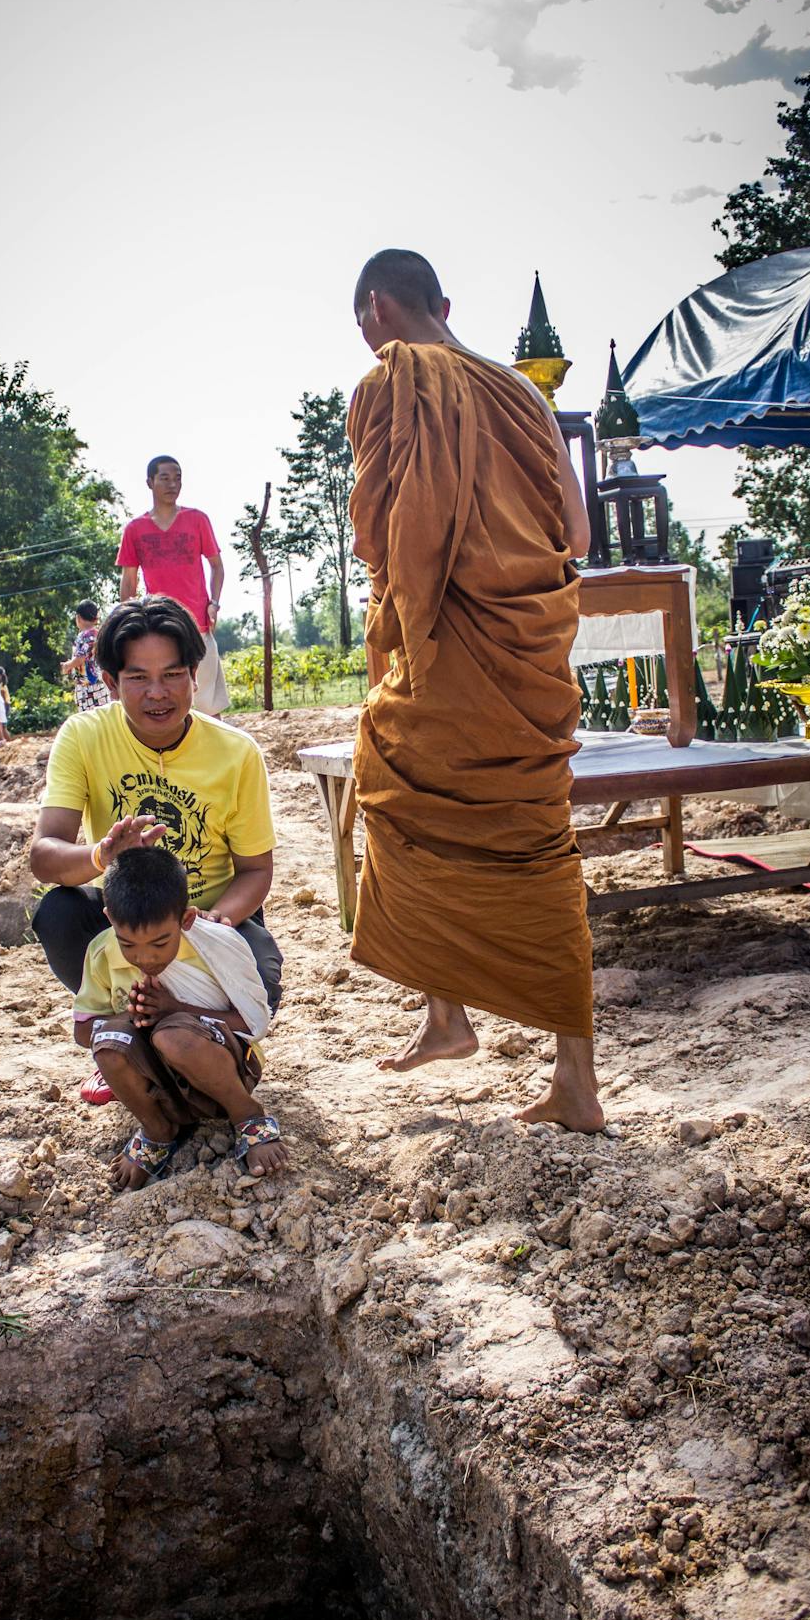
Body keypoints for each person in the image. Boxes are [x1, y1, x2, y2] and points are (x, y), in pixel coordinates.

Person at [347, 249, 602, 1133]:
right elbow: (574, 530)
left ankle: (453, 1018)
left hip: (446, 653)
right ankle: (540, 1063)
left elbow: (381, 546)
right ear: (443, 303)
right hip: (523, 658)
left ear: (376, 308)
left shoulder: (393, 381)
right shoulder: (525, 394)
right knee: (537, 842)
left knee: (397, 799)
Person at [29, 594, 283, 1015]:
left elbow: (256, 870)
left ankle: (212, 1040)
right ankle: (121, 1020)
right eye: (138, 678)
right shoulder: (82, 737)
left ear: (195, 675)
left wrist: (214, 921)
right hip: (126, 926)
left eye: (172, 674)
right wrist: (102, 855)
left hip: (208, 919)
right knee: (58, 913)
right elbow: (44, 857)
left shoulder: (237, 753)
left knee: (261, 979)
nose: (158, 694)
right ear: (110, 683)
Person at [73, 845, 283, 1187]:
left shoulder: (214, 945)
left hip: (223, 1068)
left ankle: (246, 1115)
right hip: (156, 1082)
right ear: (110, 918)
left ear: (186, 920)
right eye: (128, 945)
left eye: (159, 944)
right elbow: (84, 1031)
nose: (144, 958)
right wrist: (131, 1016)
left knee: (171, 1036)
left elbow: (252, 1025)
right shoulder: (101, 952)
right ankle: (158, 1129)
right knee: (109, 1043)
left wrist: (174, 1009)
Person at [117, 456, 229, 715]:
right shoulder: (135, 529)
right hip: (158, 630)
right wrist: (128, 619)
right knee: (168, 703)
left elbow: (217, 566)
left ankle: (219, 754)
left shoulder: (197, 520)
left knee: (208, 705)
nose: (172, 484)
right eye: (165, 478)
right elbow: (129, 580)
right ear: (150, 482)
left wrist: (214, 602)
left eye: (177, 478)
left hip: (197, 626)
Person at [60, 599, 113, 712]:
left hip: (86, 686)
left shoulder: (83, 635)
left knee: (88, 718)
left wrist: (67, 666)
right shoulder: (99, 634)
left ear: (78, 617)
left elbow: (81, 658)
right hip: (101, 683)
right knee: (103, 714)